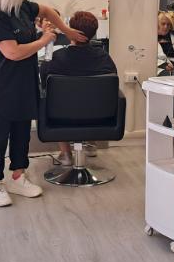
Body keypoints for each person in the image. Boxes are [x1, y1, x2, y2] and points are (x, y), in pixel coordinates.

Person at [0, 0, 86, 207]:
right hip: (1, 86)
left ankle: (18, 177)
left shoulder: (21, 8)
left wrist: (66, 30)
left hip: (24, 83)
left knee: (21, 133)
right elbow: (13, 52)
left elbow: (47, 10)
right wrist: (43, 40)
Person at [40, 11, 117, 166]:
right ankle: (91, 143)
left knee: (53, 100)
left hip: (60, 118)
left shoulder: (56, 58)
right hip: (99, 118)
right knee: (92, 99)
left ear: (70, 31)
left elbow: (44, 85)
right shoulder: (104, 58)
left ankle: (66, 153)